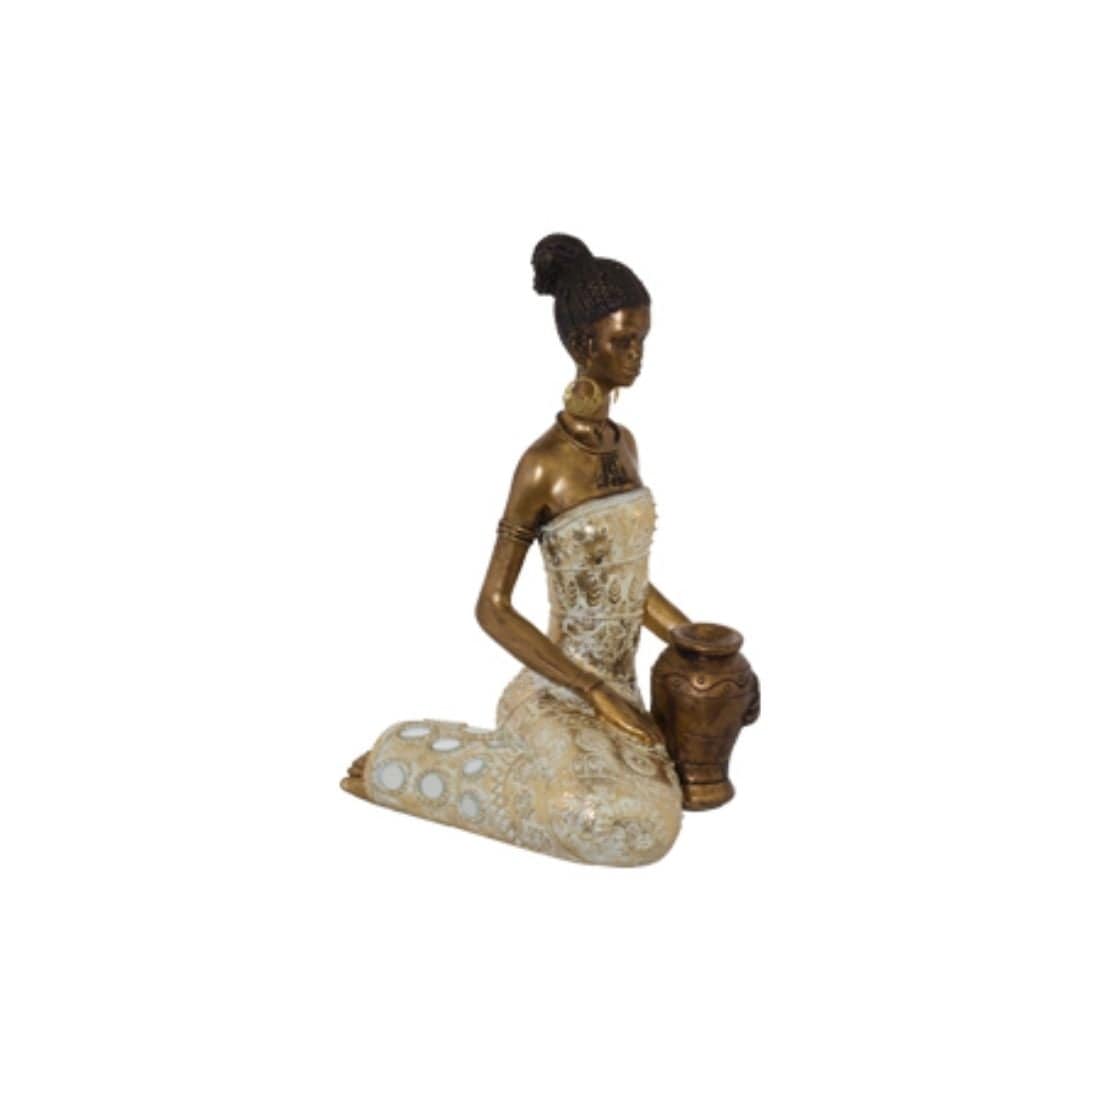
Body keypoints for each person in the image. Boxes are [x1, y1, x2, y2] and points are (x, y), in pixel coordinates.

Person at [341, 234, 693, 866]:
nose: (638, 355)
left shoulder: (625, 446)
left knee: (655, 818)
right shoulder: (543, 465)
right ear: (584, 345)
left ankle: (523, 764)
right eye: (623, 341)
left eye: (643, 339)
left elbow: (625, 585)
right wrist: (592, 691)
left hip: (623, 692)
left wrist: (693, 641)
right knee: (605, 821)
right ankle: (408, 763)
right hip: (559, 690)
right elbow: (493, 607)